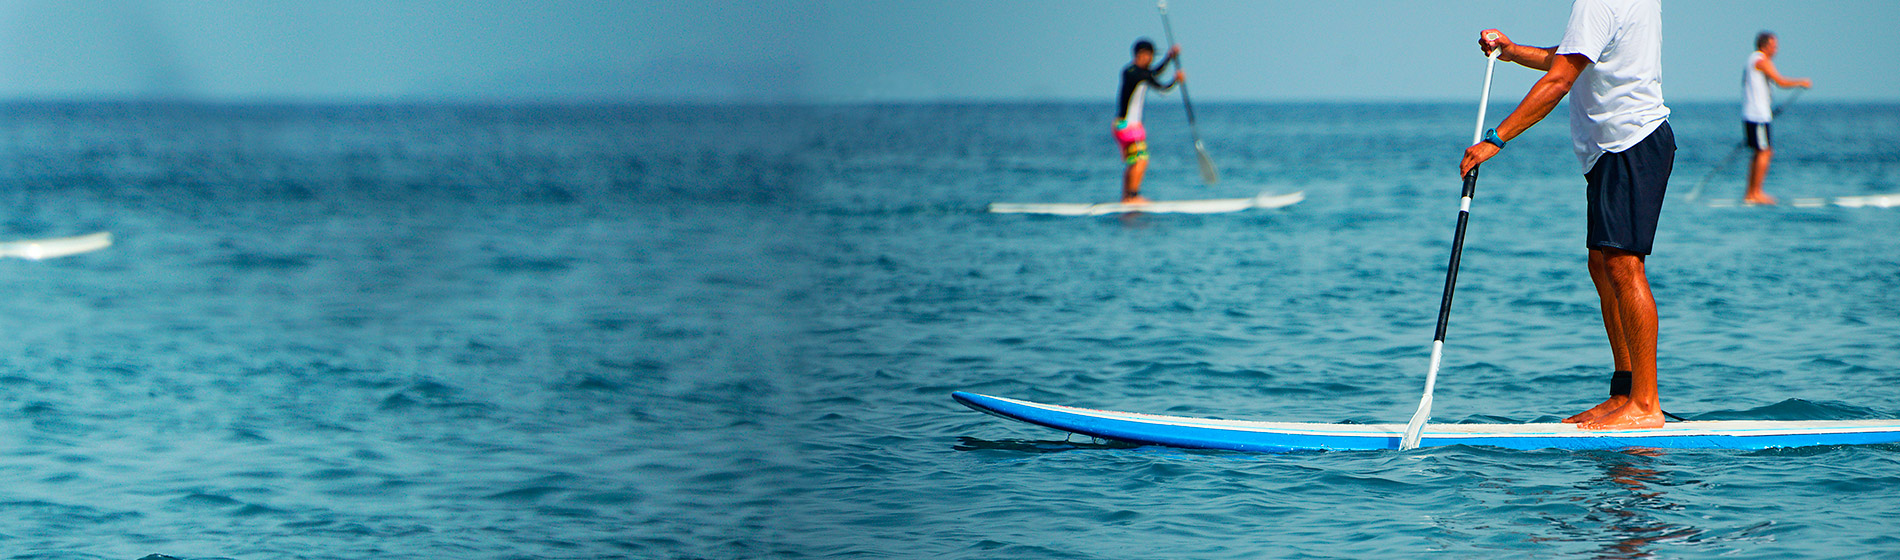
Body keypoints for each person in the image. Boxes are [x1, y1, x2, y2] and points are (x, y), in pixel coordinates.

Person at [1460, 0, 1674, 430]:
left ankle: (1646, 405)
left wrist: (1495, 140)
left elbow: (1560, 80)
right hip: (1613, 150)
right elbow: (1575, 56)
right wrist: (1511, 50)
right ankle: (1625, 392)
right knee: (1603, 264)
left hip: (1629, 142)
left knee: (1624, 265)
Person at [1740, 31, 1813, 205]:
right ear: (1765, 46)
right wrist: (1801, 82)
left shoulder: (1751, 61)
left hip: (1753, 114)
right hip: (1757, 116)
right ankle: (1755, 193)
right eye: (1774, 46)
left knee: (1759, 152)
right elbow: (1780, 81)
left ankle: (1751, 192)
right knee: (1765, 152)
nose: (1776, 50)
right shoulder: (1760, 60)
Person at [1116, 39, 1183, 203]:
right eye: (1150, 56)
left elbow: (1153, 73)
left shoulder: (1129, 71)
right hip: (1130, 127)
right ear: (1142, 55)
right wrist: (1176, 81)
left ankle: (1126, 197)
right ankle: (1133, 196)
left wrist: (1169, 58)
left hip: (1120, 125)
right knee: (1141, 160)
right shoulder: (1140, 74)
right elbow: (1163, 89)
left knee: (1133, 161)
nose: (1151, 59)